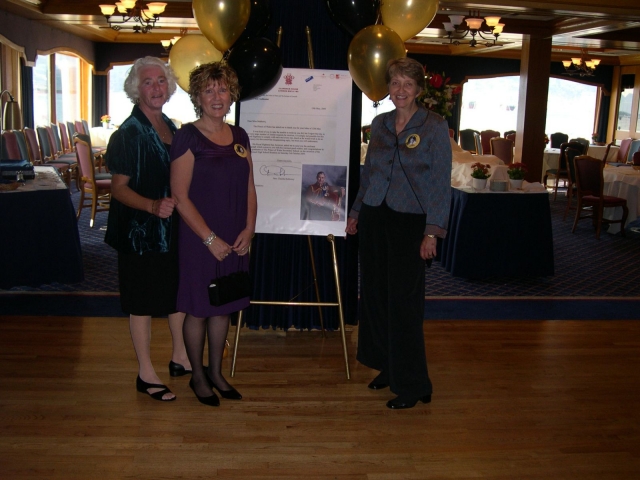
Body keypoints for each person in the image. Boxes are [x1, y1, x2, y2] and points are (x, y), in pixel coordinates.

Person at [345, 57, 452, 409]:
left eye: (408, 84)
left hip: (411, 223)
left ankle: (415, 383)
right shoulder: (379, 124)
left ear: (419, 89)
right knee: (376, 298)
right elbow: (370, 173)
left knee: (404, 303)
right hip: (376, 216)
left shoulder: (434, 126)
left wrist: (432, 233)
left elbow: (440, 184)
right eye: (395, 83)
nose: (401, 90)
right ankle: (389, 367)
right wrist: (357, 212)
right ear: (388, 89)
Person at [170, 62, 257, 407]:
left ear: (232, 93)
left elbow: (250, 186)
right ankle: (197, 376)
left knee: (224, 306)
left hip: (235, 238)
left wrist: (249, 229)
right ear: (197, 97)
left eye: (222, 90)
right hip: (199, 239)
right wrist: (209, 239)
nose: (216, 97)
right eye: (209, 90)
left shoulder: (240, 136)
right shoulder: (187, 136)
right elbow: (179, 197)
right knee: (199, 309)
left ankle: (217, 373)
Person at [104, 56, 190, 402]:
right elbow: (118, 188)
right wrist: (153, 205)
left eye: (160, 81)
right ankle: (145, 372)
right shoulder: (128, 133)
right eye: (148, 82)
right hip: (139, 231)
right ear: (136, 89)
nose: (156, 87)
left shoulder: (168, 124)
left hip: (171, 228)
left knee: (175, 292)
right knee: (141, 300)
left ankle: (180, 355)